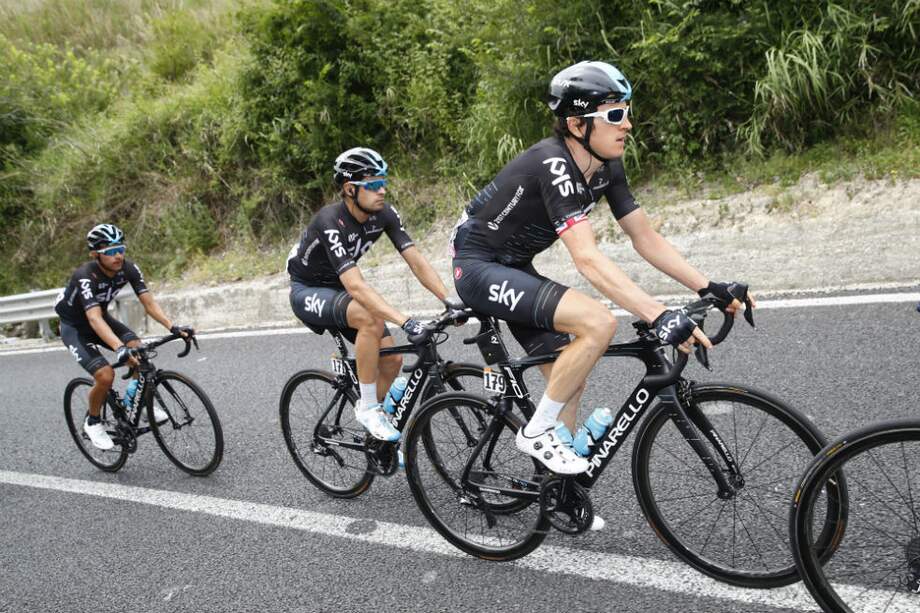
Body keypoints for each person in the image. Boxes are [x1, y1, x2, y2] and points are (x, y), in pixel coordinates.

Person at [450, 61, 756, 480]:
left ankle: (554, 491)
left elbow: (645, 238)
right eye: (614, 115)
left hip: (515, 265)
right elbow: (588, 259)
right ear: (576, 124)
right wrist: (659, 314)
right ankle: (536, 432)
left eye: (628, 111)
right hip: (477, 267)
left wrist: (711, 286)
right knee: (597, 322)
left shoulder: (607, 165)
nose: (627, 124)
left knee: (568, 378)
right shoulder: (553, 164)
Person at [287, 147, 458, 441]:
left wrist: (450, 299)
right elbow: (356, 287)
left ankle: (374, 436)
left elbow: (415, 259)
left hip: (339, 288)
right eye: (374, 185)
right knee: (370, 317)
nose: (383, 190)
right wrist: (405, 321)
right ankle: (367, 407)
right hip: (308, 290)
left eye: (384, 182)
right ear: (350, 189)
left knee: (392, 362)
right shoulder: (330, 221)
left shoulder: (385, 213)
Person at [55, 224, 194, 450]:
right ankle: (93, 421)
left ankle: (135, 401)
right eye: (110, 251)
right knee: (105, 375)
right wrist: (119, 348)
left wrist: (173, 327)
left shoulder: (128, 269)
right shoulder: (84, 276)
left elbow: (148, 303)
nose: (118, 255)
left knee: (139, 350)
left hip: (101, 318)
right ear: (95, 254)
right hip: (76, 327)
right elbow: (93, 319)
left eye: (120, 248)